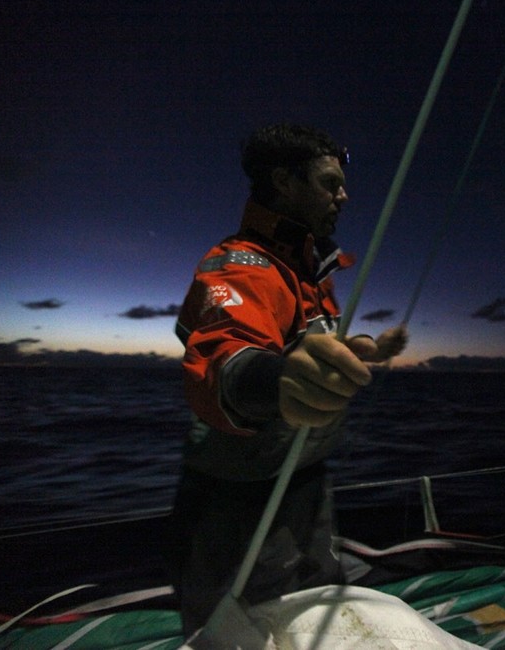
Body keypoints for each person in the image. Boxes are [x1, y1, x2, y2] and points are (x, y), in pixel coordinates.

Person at [168, 123, 407, 636]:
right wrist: (276, 382)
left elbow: (313, 345)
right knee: (245, 632)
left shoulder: (309, 273)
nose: (343, 195)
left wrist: (368, 349)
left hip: (305, 478)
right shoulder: (241, 266)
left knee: (320, 613)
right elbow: (224, 357)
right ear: (283, 182)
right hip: (240, 500)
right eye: (328, 183)